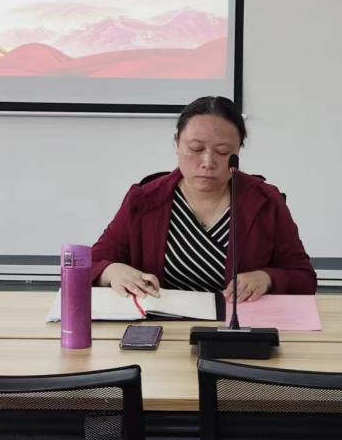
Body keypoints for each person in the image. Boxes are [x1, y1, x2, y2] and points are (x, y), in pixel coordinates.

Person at [92, 95, 316, 302]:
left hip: (238, 326)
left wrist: (266, 278)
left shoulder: (266, 202)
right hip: (162, 325)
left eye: (223, 151)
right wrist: (111, 272)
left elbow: (304, 278)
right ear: (177, 143)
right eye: (196, 148)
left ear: (239, 150)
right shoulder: (144, 200)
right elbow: (91, 263)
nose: (208, 162)